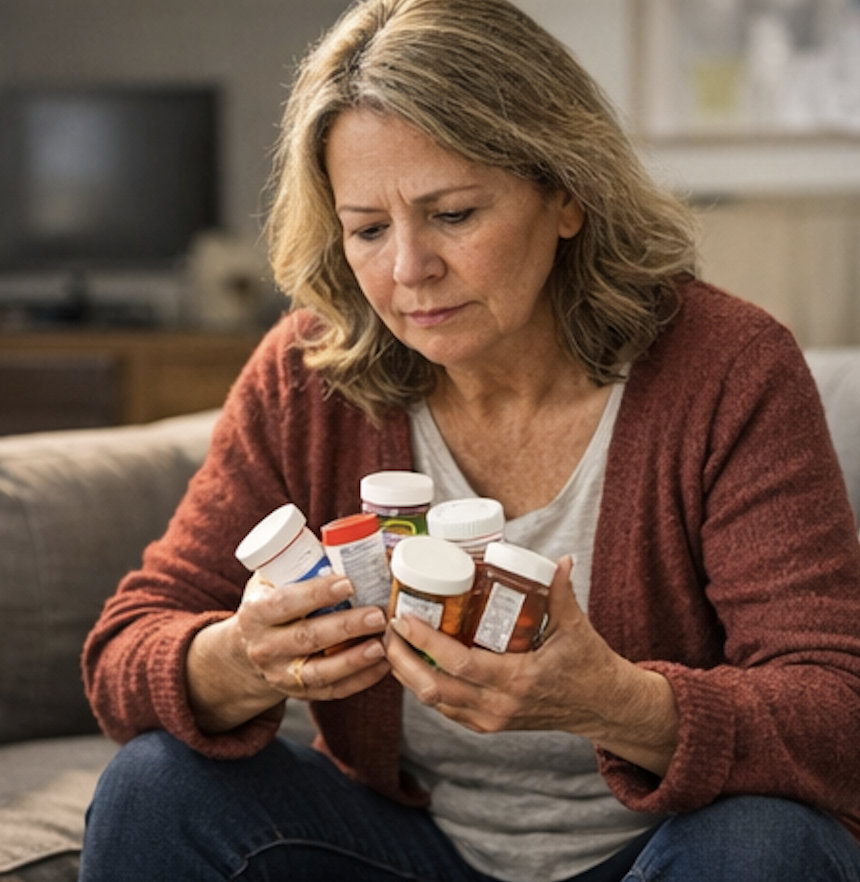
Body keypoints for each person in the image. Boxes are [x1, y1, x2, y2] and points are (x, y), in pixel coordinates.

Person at [78, 0, 860, 879]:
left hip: (663, 850)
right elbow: (123, 651)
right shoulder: (310, 374)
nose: (409, 271)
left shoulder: (727, 368)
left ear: (566, 194)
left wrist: (617, 703)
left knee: (769, 843)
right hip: (407, 848)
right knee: (154, 786)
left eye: (451, 214)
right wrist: (240, 658)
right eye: (369, 229)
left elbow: (836, 710)